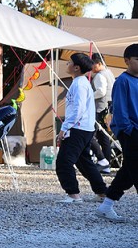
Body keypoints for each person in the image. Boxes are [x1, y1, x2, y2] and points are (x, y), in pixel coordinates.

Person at [55, 53, 107, 203]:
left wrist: (64, 129)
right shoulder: (81, 82)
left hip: (78, 128)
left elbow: (77, 109)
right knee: (84, 162)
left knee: (64, 161)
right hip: (84, 128)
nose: (67, 65)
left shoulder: (79, 84)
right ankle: (102, 192)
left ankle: (73, 194)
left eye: (69, 62)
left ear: (76, 67)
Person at [96, 44, 138, 222]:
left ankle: (106, 206)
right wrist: (129, 131)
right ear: (127, 61)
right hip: (132, 133)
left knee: (128, 171)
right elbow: (120, 111)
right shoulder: (123, 81)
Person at [89, 52, 116, 173]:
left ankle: (104, 162)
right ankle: (106, 163)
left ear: (99, 63)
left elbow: (101, 92)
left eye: (92, 64)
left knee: (94, 136)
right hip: (108, 109)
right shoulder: (109, 73)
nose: (91, 68)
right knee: (103, 137)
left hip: (100, 109)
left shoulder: (100, 75)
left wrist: (89, 96)